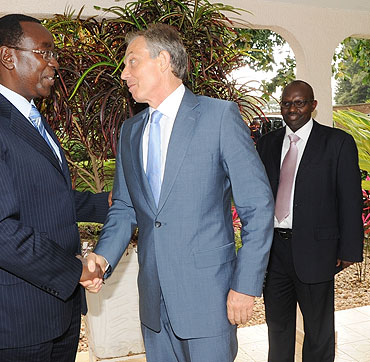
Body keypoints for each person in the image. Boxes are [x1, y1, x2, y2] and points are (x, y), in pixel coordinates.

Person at [85, 23, 274, 362]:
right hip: (154, 301)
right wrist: (103, 257)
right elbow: (125, 206)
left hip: (210, 297)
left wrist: (246, 284)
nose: (124, 74)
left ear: (163, 60)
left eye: (132, 61)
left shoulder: (219, 117)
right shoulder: (130, 131)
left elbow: (257, 207)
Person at [0, 14, 109, 362]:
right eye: (45, 52)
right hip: (14, 323)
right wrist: (75, 270)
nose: (55, 63)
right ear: (9, 57)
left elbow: (45, 198)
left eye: (54, 54)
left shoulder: (32, 117)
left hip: (57, 315)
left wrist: (109, 203)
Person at [256, 80, 364, 362]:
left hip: (317, 251)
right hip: (274, 253)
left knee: (319, 332)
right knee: (277, 329)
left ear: (313, 106)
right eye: (286, 103)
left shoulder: (337, 142)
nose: (292, 109)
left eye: (299, 102)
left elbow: (350, 199)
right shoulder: (267, 144)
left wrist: (349, 250)